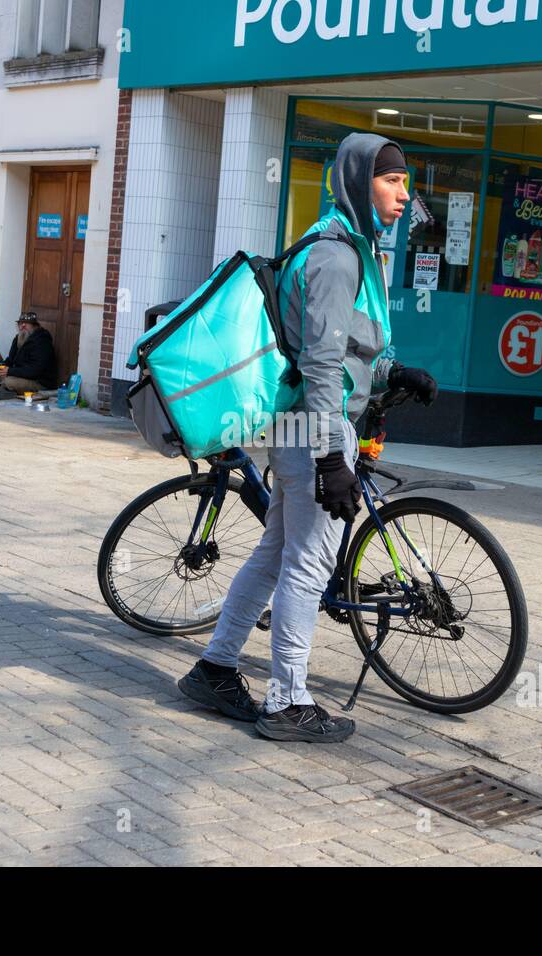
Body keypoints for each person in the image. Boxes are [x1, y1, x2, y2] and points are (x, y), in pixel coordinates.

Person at [177, 133, 438, 744]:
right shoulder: (336, 257)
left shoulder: (349, 247)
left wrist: (393, 372)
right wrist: (330, 459)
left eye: (405, 182)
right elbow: (321, 364)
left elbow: (341, 348)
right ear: (356, 181)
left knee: (275, 555)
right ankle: (287, 702)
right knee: (308, 564)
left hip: (300, 424)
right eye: (391, 180)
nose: (403, 194)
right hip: (313, 428)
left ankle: (215, 668)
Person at [0, 311, 59, 398]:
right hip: (18, 376)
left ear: (35, 326)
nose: (23, 326)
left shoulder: (42, 342)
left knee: (8, 382)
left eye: (27, 323)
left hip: (38, 382)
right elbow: (10, 360)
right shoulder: (18, 338)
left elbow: (35, 370)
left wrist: (10, 371)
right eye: (21, 323)